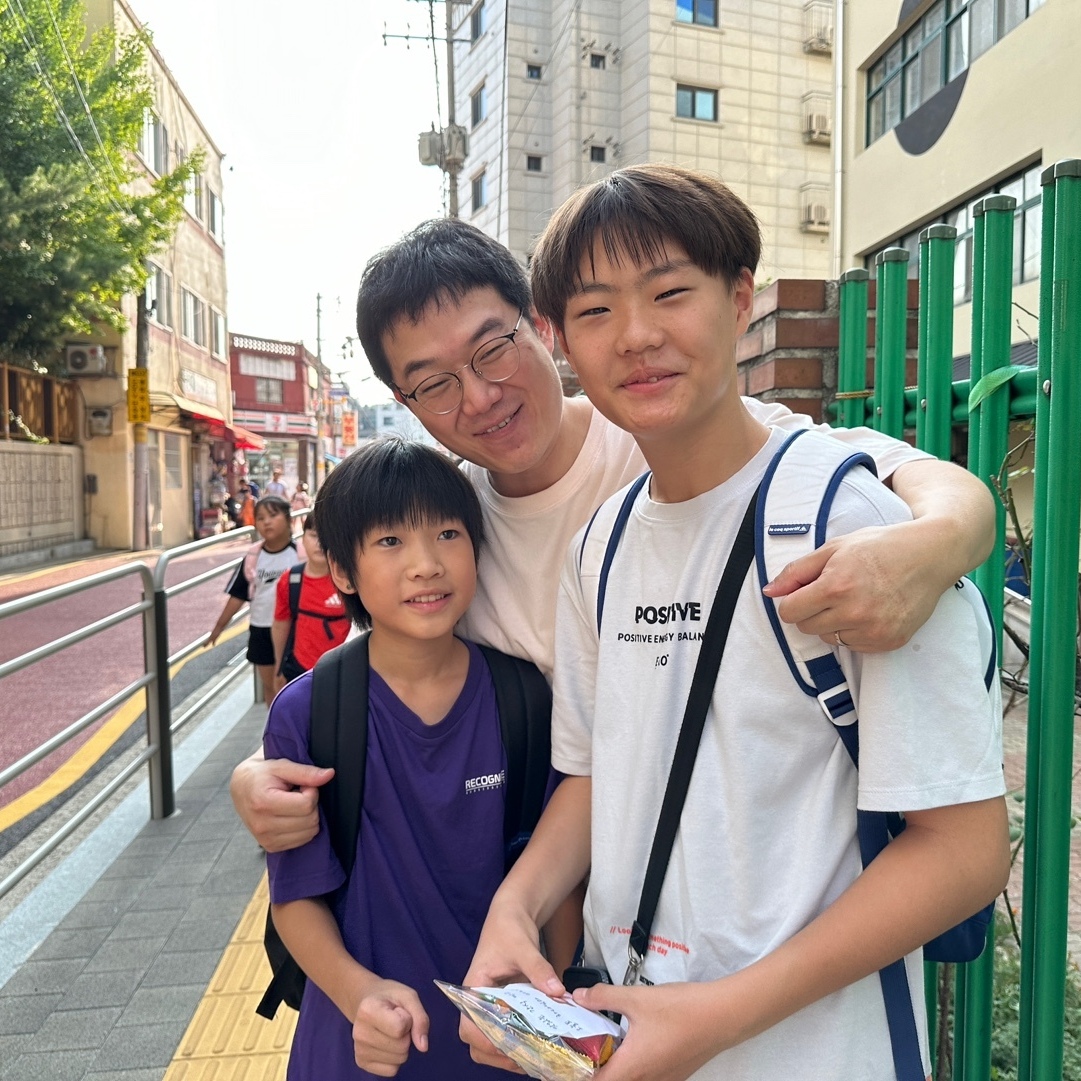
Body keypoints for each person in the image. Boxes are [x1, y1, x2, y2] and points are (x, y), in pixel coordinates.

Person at [460, 165, 1009, 1080]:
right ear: (559, 340)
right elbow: (595, 773)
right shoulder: (601, 545)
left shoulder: (849, 523)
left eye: (670, 292)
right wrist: (514, 905)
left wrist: (716, 1018)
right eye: (595, 311)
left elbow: (963, 851)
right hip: (636, 1035)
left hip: (820, 1053)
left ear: (740, 298)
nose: (636, 335)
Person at [229, 216, 995, 862]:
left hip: (740, 879)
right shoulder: (445, 526)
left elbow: (907, 475)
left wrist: (935, 545)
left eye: (492, 349)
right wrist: (262, 768)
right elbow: (380, 670)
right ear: (405, 400)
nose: (480, 396)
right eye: (434, 383)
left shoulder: (656, 437)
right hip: (556, 890)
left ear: (541, 325)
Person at [263, 438, 566, 1080]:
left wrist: (555, 1007)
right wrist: (358, 994)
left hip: (504, 1047)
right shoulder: (308, 713)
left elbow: (560, 876)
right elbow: (294, 895)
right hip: (359, 1045)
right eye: (390, 541)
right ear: (343, 571)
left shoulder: (523, 697)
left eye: (448, 534)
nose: (426, 565)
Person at [209, 495, 298, 705]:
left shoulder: (300, 555)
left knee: (293, 685)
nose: (266, 522)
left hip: (294, 629)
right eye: (260, 518)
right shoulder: (253, 557)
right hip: (261, 628)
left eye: (273, 515)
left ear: (288, 519)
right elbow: (238, 596)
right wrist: (219, 628)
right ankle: (273, 723)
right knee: (270, 686)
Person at [271, 510, 349, 694]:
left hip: (345, 671)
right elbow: (281, 625)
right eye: (313, 535)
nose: (320, 543)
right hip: (301, 671)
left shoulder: (351, 581)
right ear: (303, 539)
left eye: (327, 536)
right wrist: (279, 667)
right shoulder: (290, 580)